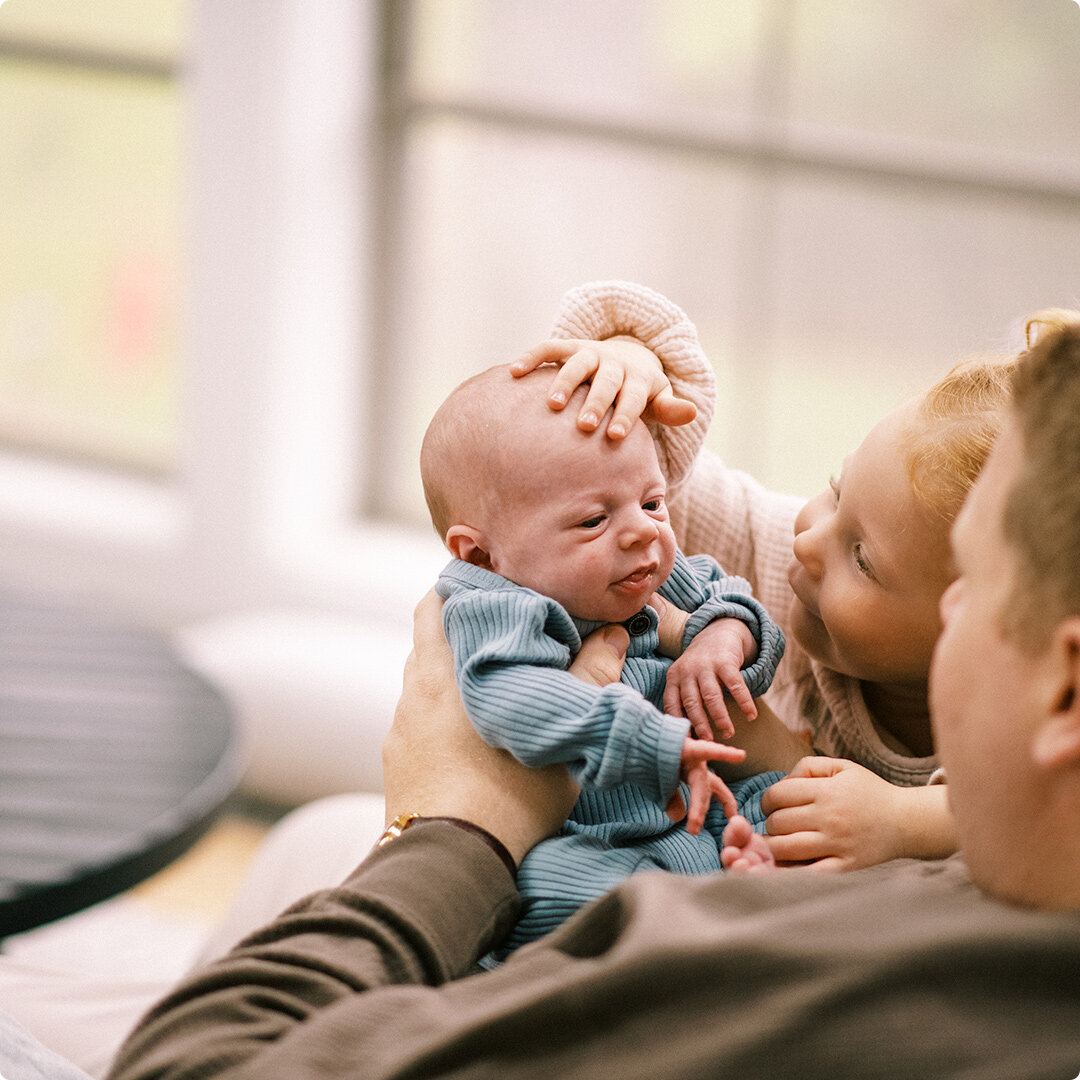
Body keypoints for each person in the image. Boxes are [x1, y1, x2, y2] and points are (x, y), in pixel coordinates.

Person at [105, 315, 1080, 1079]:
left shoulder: (783, 984)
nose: (809, 546)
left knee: (305, 857)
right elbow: (658, 484)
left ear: (1065, 691)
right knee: (312, 836)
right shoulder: (1004, 919)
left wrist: (458, 831)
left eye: (972, 591)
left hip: (555, 885)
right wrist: (620, 366)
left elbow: (195, 1063)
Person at [512, 281, 1022, 870]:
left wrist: (908, 821)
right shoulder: (792, 563)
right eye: (835, 491)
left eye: (862, 559)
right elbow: (661, 496)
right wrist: (628, 371)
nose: (808, 541)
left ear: (975, 628)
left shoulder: (1012, 719)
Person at [421, 363, 785, 955]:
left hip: (697, 810)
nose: (642, 531)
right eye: (594, 519)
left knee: (788, 801)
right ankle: (695, 927)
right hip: (588, 833)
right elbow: (512, 698)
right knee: (549, 889)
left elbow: (734, 599)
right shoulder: (493, 604)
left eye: (654, 501)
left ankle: (753, 879)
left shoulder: (646, 574)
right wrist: (651, 741)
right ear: (482, 554)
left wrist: (722, 639)